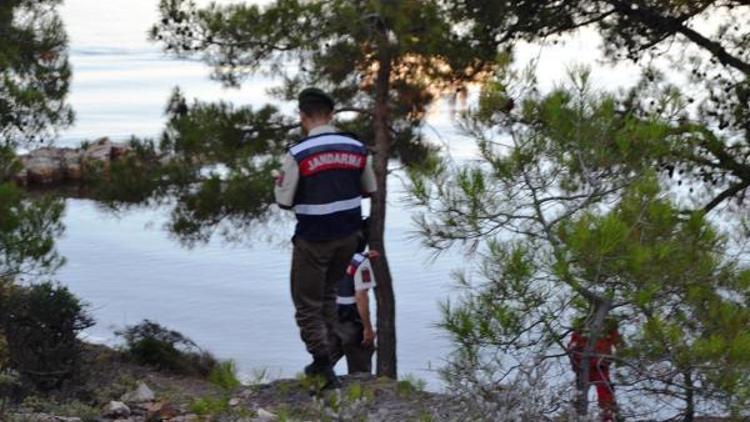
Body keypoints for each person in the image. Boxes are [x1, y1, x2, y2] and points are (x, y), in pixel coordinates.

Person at [274, 87, 377, 389]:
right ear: (331, 114)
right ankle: (330, 352)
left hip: (313, 240)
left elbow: (284, 200)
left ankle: (322, 362)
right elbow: (369, 188)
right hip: (348, 237)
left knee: (306, 303)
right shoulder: (356, 147)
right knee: (329, 294)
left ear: (303, 117)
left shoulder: (298, 153)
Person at [331, 218, 377, 374]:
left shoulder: (327, 257)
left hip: (329, 318)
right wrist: (368, 328)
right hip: (351, 320)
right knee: (361, 370)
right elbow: (361, 296)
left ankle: (314, 393)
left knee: (324, 364)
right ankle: (359, 396)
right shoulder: (360, 263)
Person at [567, 317, 621, 422]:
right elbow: (572, 345)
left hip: (600, 365)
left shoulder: (609, 323)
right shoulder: (582, 322)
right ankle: (578, 416)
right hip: (584, 365)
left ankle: (608, 416)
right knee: (580, 395)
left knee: (605, 394)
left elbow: (618, 343)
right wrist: (575, 359)